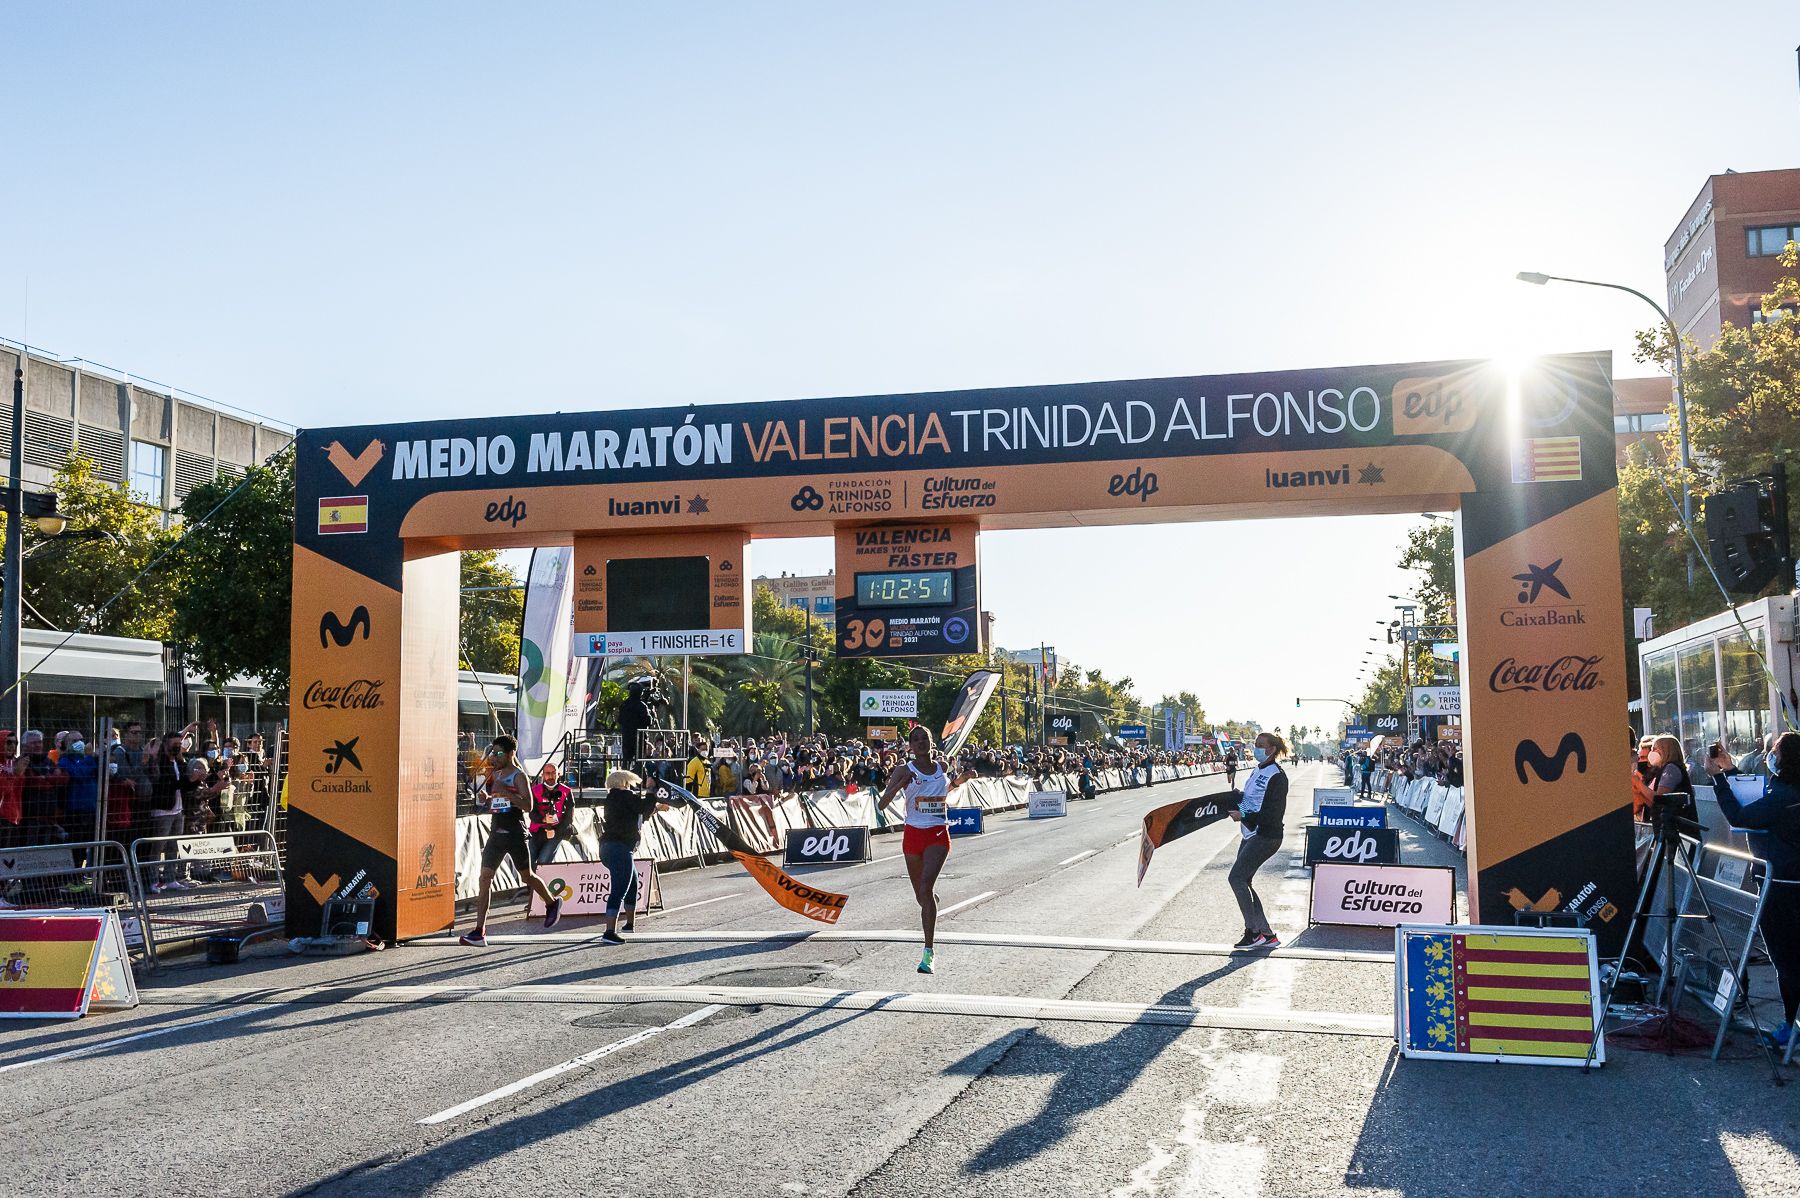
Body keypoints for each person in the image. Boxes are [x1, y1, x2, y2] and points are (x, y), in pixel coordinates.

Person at [1704, 736, 1800, 1051]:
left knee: (1786, 959)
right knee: (1785, 958)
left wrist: (1718, 780)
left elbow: (1742, 816)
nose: (1769, 755)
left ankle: (1791, 1025)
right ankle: (1791, 1023)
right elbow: (1751, 802)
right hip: (1779, 884)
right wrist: (1730, 772)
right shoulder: (1780, 791)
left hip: (1782, 888)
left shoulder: (1784, 795)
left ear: (1786, 760)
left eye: (1775, 752)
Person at [877, 725, 976, 975]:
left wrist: (960, 781)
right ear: (910, 746)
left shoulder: (941, 767)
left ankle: (928, 952)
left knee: (926, 888)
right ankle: (931, 904)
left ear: (932, 743)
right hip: (912, 834)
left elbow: (942, 789)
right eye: (916, 739)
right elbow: (882, 803)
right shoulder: (904, 769)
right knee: (922, 899)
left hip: (937, 833)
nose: (921, 742)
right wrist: (900, 783)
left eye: (925, 738)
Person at [460, 735, 560, 945]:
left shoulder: (518, 776)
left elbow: (528, 806)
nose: (494, 758)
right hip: (496, 832)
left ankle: (552, 903)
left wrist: (508, 794)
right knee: (484, 879)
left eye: (498, 753)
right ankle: (479, 931)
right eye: (492, 753)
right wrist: (487, 801)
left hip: (515, 832)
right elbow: (498, 803)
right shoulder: (495, 774)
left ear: (511, 753)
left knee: (527, 876)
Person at [1228, 732, 1290, 950]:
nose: (1256, 749)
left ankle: (1253, 932)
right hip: (1250, 833)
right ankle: (1266, 933)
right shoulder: (1256, 771)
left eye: (1260, 745)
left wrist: (1244, 816)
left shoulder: (1277, 776)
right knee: (1244, 880)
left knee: (1236, 878)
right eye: (1255, 745)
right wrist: (1239, 804)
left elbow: (1273, 814)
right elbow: (1249, 802)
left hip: (1267, 835)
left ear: (1272, 749)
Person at [597, 769, 665, 944]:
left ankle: (629, 924)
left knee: (632, 883)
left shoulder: (613, 798)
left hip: (609, 848)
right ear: (624, 783)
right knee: (619, 888)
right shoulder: (624, 796)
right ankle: (609, 932)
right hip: (619, 848)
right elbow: (642, 807)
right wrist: (651, 791)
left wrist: (655, 808)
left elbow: (636, 815)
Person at [1647, 735, 1698, 825]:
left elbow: (1660, 798)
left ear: (1665, 750)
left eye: (1654, 749)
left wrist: (1638, 783)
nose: (1651, 753)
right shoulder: (1662, 770)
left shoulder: (1671, 768)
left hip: (1677, 829)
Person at [529, 762, 573, 866]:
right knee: (528, 863)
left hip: (556, 833)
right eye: (547, 773)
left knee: (543, 862)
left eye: (553, 773)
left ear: (558, 774)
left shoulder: (566, 791)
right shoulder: (535, 790)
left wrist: (556, 831)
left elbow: (569, 818)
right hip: (537, 832)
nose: (550, 776)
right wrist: (543, 819)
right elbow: (531, 812)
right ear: (543, 775)